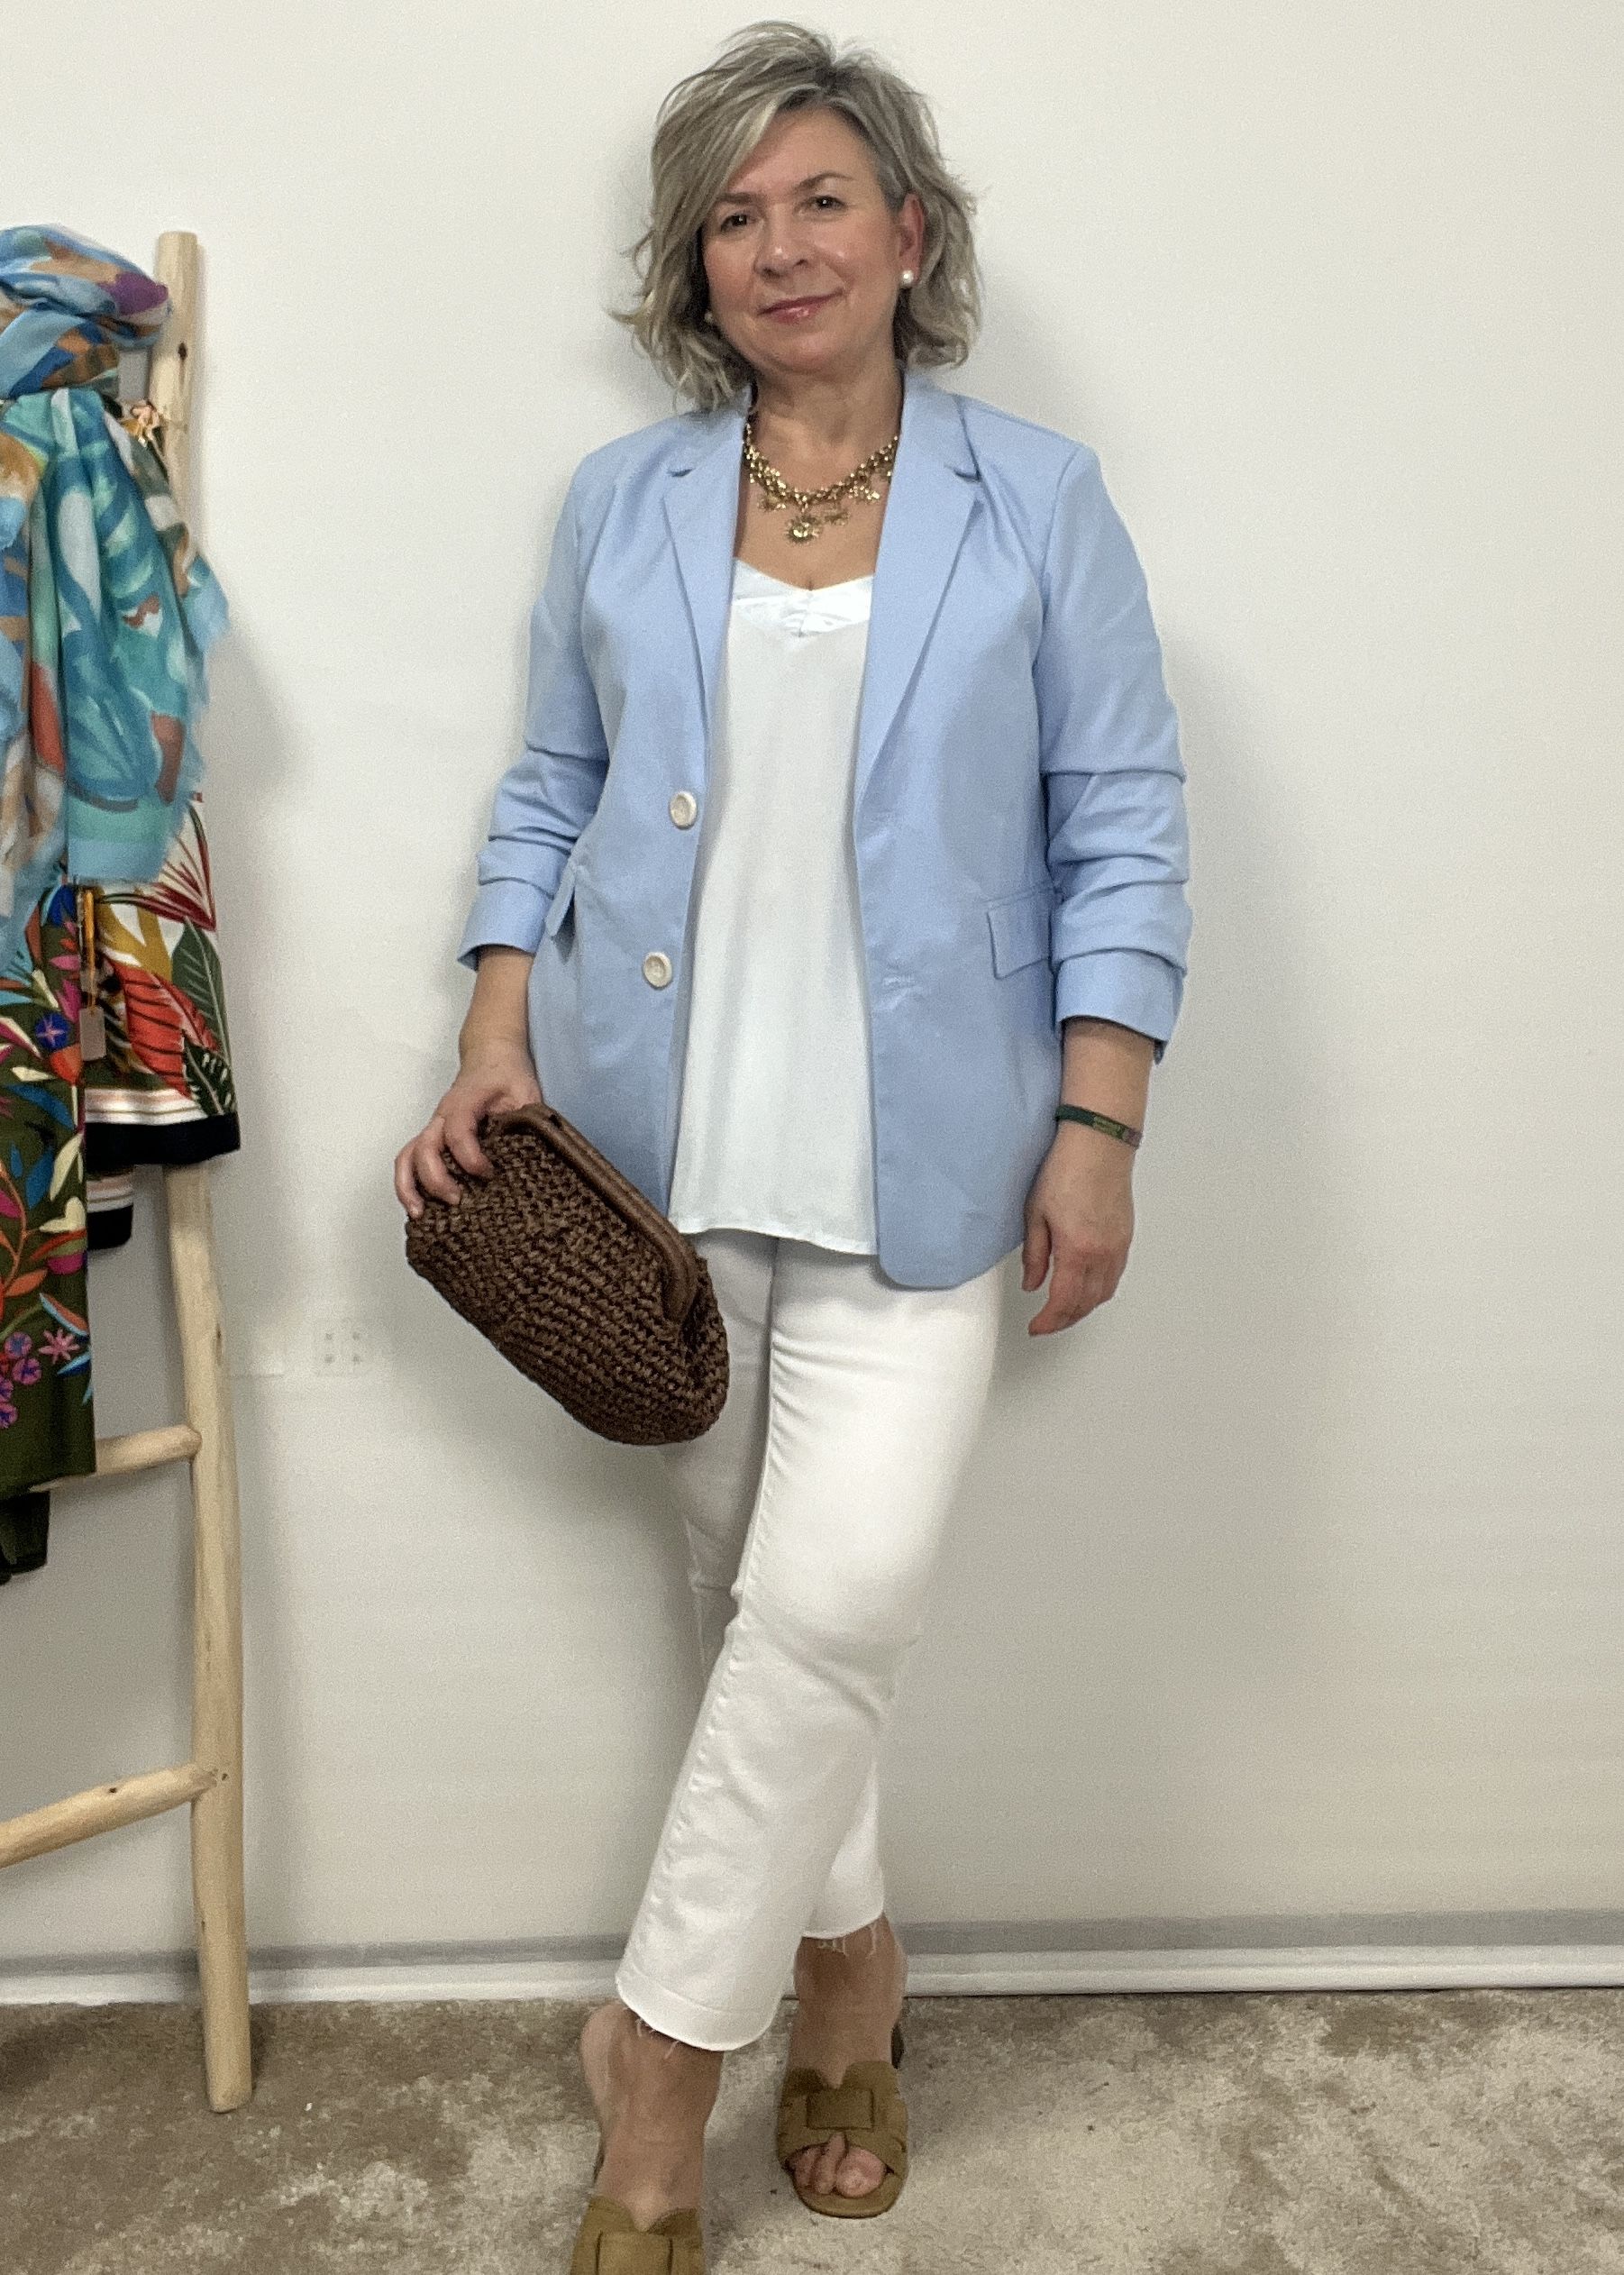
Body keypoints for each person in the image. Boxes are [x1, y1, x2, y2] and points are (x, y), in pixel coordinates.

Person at [395, 22, 1192, 2270]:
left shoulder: (1036, 500)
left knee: (827, 1604)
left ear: (909, 232)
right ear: (694, 266)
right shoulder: (619, 501)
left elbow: (1123, 820)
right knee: (753, 1612)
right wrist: (492, 1027)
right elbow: (551, 784)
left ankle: (657, 2066)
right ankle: (849, 1971)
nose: (778, 245)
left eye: (820, 197)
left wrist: (1102, 1118)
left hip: (932, 1162)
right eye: (733, 216)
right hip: (658, 1162)